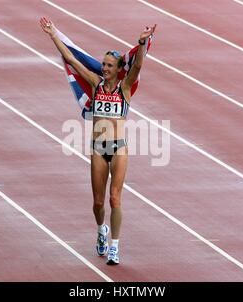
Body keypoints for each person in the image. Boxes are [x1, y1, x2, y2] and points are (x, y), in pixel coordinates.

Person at [40, 17, 156, 265]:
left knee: (115, 198)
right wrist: (53, 36)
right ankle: (101, 230)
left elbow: (137, 67)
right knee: (98, 202)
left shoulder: (125, 88)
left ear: (117, 68)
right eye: (103, 64)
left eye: (109, 65)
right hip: (98, 150)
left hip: (119, 149)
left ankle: (115, 245)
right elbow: (71, 59)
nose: (104, 68)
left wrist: (142, 43)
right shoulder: (96, 84)